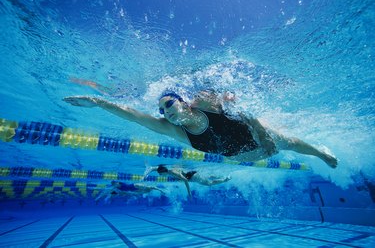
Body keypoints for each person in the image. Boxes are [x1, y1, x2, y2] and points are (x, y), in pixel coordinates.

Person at [63, 89, 338, 168]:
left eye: (169, 104)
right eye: (161, 110)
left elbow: (246, 111)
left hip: (256, 136)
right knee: (282, 145)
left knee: (288, 141)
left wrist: (263, 136)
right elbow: (132, 115)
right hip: (246, 156)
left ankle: (321, 153)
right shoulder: (175, 130)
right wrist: (97, 103)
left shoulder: (205, 102)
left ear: (183, 102)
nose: (165, 112)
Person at [143, 164, 231, 198]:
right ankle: (222, 176)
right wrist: (148, 171)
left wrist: (189, 193)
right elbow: (156, 168)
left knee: (209, 183)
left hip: (194, 177)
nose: (159, 175)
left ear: (163, 172)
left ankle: (225, 179)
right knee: (208, 176)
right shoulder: (166, 169)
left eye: (160, 174)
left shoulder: (173, 172)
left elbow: (185, 180)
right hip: (193, 174)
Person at [94, 180, 164, 204]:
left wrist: (160, 190)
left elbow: (152, 188)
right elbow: (153, 187)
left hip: (128, 191)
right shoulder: (138, 186)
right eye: (116, 184)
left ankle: (104, 198)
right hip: (130, 189)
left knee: (113, 193)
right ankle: (101, 198)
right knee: (109, 191)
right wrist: (161, 190)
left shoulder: (141, 190)